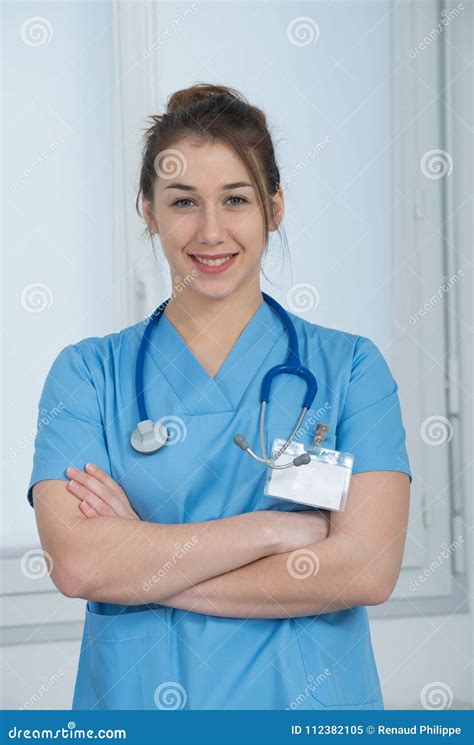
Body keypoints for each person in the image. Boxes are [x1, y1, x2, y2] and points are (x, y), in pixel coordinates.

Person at [28, 83, 412, 711]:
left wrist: (145, 564)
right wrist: (272, 531)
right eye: (183, 201)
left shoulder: (350, 369)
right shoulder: (88, 374)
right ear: (148, 211)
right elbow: (78, 565)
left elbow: (365, 569)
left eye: (235, 199)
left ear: (274, 207)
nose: (211, 231)